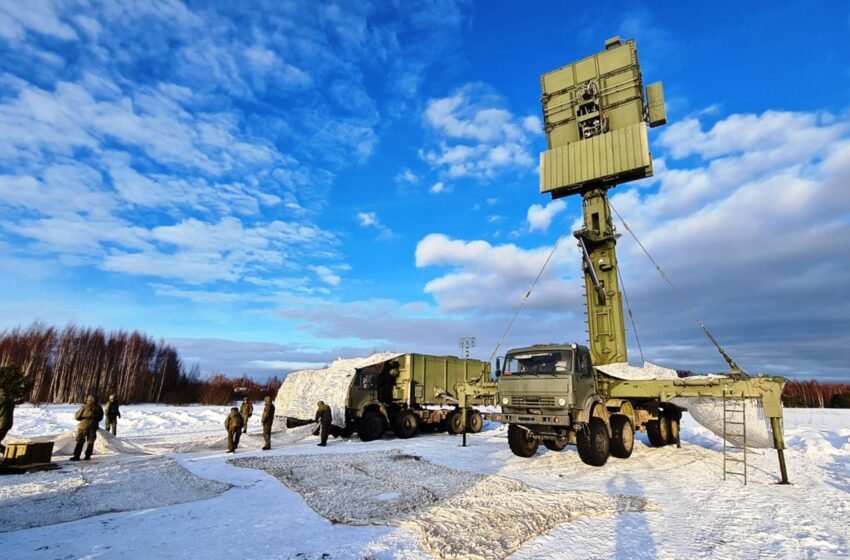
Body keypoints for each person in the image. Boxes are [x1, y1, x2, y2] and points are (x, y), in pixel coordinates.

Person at [0, 365, 27, 454]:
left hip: (1, 424)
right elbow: (17, 402)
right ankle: (7, 452)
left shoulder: (3, 400)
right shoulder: (10, 400)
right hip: (7, 424)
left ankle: (8, 453)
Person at [71, 395, 104, 461]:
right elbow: (101, 417)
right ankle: (88, 456)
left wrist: (83, 419)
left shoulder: (84, 406)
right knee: (91, 441)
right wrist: (95, 421)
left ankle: (77, 456)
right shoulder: (99, 407)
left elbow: (77, 416)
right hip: (93, 425)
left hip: (84, 425)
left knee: (80, 440)